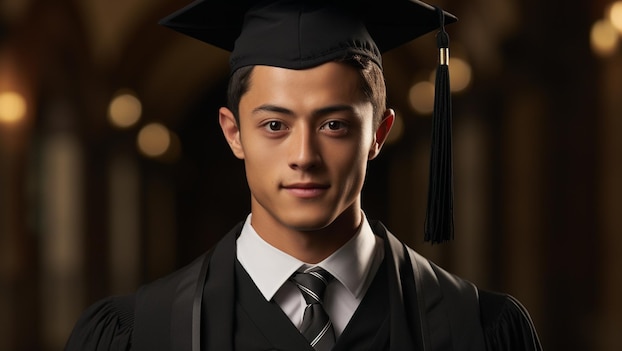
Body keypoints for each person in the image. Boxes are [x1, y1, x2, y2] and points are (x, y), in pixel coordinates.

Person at [65, 0, 543, 350]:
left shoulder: (477, 330)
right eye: (275, 125)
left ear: (378, 133)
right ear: (233, 134)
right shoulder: (142, 334)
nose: (304, 155)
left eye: (334, 125)